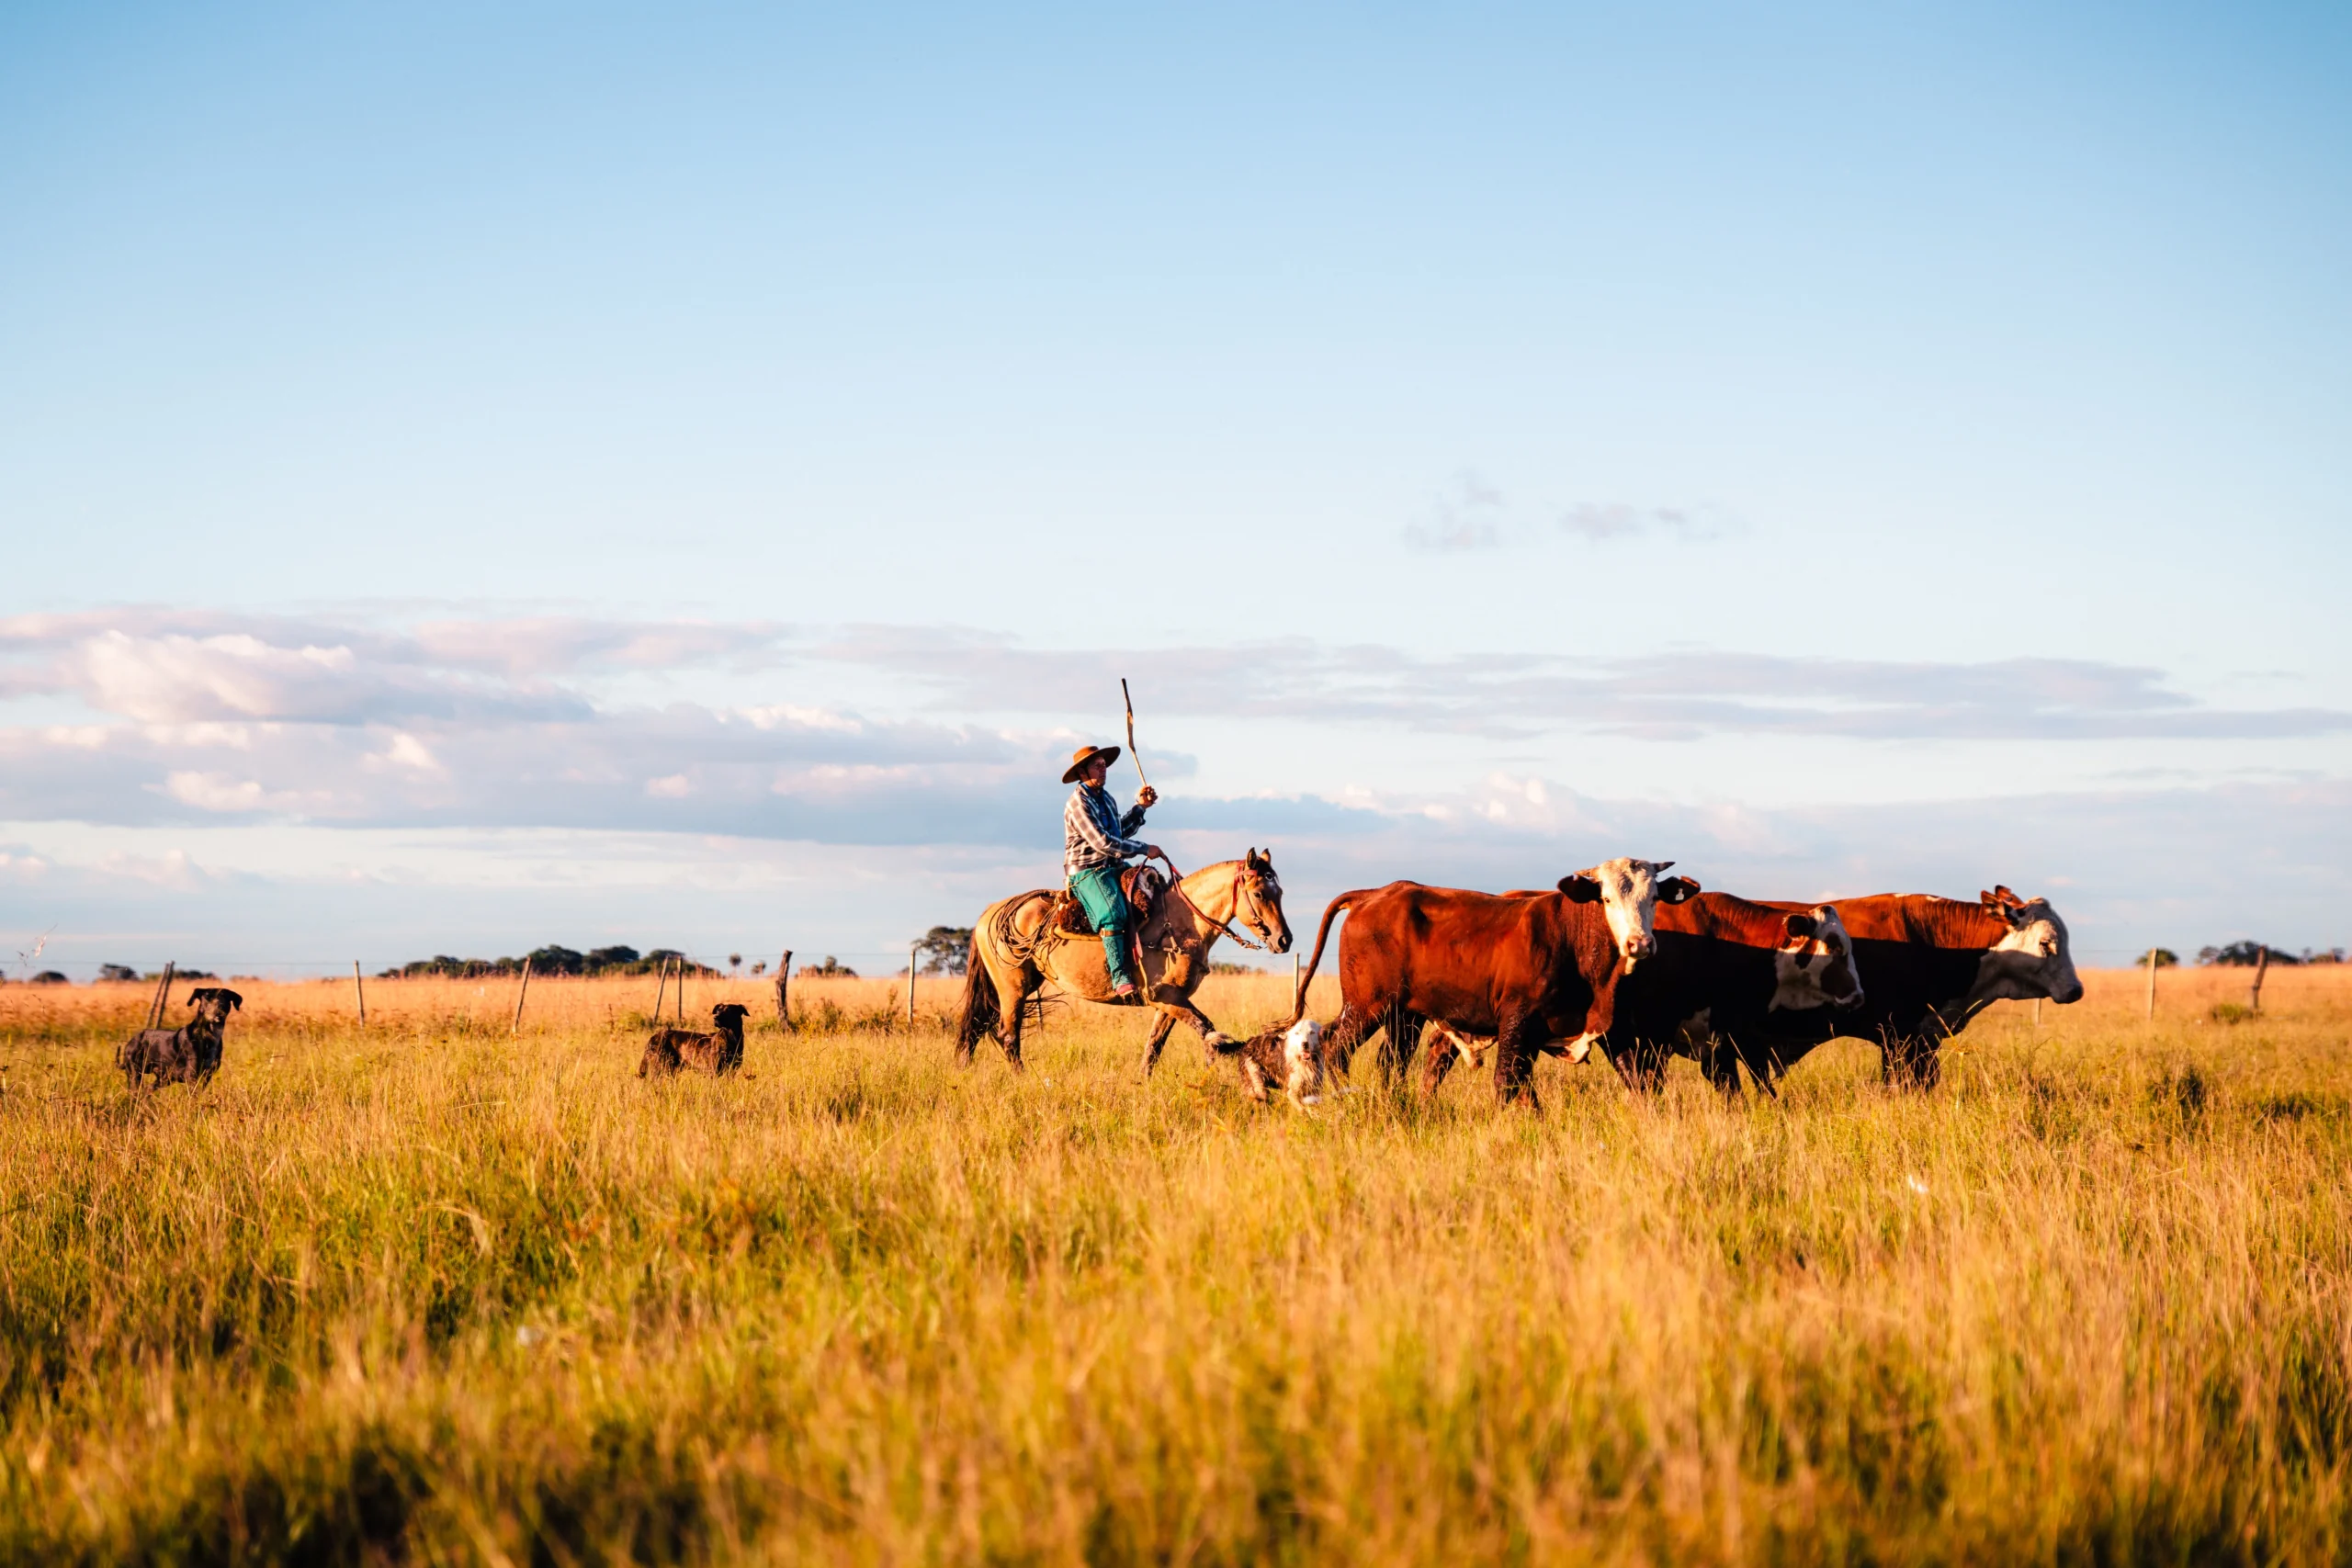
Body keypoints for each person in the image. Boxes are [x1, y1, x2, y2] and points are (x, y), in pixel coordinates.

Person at [1060, 743, 1162, 998]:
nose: (1103, 768)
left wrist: (1140, 808)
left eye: (1104, 765)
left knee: (1154, 890)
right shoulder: (1077, 803)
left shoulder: (1106, 798)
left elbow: (1119, 832)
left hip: (1113, 866)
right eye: (1097, 765)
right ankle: (1120, 977)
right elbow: (1103, 843)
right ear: (1083, 772)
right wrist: (1143, 847)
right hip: (1088, 871)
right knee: (1113, 912)